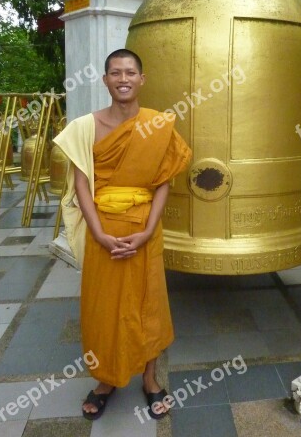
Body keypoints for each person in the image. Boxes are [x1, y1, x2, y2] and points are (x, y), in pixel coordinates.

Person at [54, 48, 191, 421]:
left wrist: (148, 230)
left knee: (148, 307)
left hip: (144, 229)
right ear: (105, 80)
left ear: (141, 79)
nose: (123, 79)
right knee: (103, 308)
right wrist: (97, 232)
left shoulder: (158, 126)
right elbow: (81, 184)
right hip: (104, 232)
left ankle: (150, 379)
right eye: (116, 73)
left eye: (130, 72)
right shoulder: (86, 126)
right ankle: (106, 379)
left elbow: (163, 183)